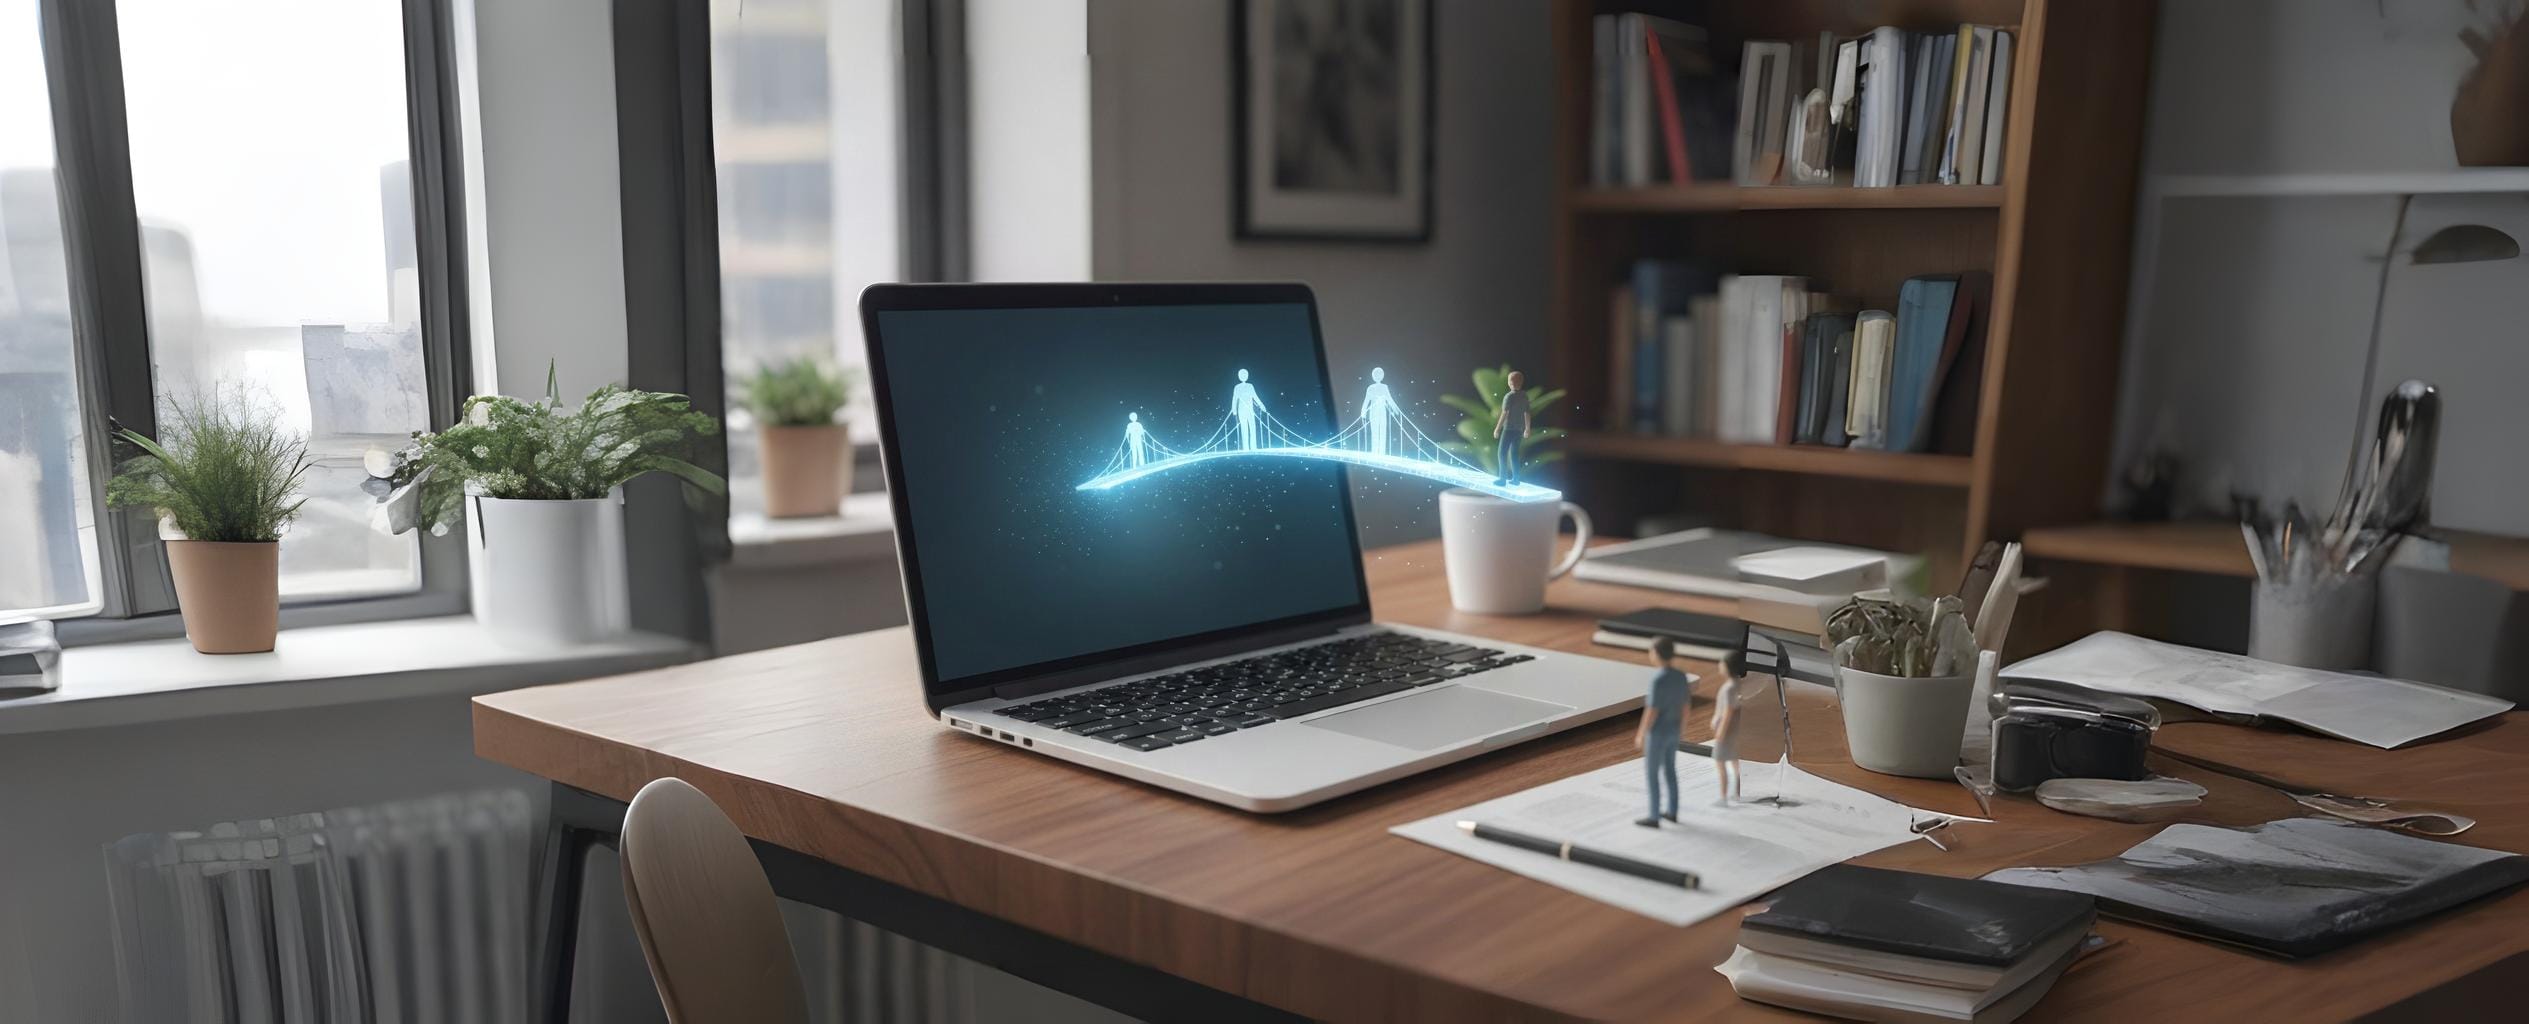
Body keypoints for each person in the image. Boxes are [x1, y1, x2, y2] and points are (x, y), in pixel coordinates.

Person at [1634, 637, 1691, 827]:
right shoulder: (1681, 676)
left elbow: (1652, 710)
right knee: (1670, 770)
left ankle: (1654, 816)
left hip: (1657, 732)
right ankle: (1672, 811)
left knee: (1652, 773)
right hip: (1674, 730)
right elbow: (1685, 706)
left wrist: (1641, 733)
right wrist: (1682, 729)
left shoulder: (1658, 680)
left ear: (1657, 654)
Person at [1710, 651, 1746, 805]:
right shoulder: (1740, 683)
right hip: (1736, 732)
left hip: (1726, 734)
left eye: (1721, 663)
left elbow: (1728, 711)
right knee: (1735, 763)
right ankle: (1737, 794)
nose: (1719, 666)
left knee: (1720, 762)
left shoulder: (1729, 688)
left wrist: (1720, 732)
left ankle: (1724, 796)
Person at [1492, 369, 1531, 486]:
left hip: (1508, 429)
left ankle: (1502, 479)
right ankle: (1516, 479)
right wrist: (1527, 428)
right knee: (1514, 454)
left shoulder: (1508, 397)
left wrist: (1497, 429)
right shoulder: (1524, 396)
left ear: (1510, 382)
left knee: (1502, 453)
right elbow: (1527, 413)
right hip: (1519, 430)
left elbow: (1504, 414)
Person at [1360, 367, 1396, 456]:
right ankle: (1375, 453)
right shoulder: (1370, 388)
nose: (1378, 376)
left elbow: (1390, 400)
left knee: (1382, 432)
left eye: (1379, 374)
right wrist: (1363, 413)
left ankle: (1381, 454)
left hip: (1382, 412)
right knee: (1375, 433)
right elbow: (1366, 401)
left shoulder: (1384, 387)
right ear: (1373, 376)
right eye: (1376, 374)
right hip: (1374, 412)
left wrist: (1395, 409)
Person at [1231, 369, 1263, 449]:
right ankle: (1246, 448)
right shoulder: (1237, 387)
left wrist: (1261, 405)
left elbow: (1255, 396)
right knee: (1244, 430)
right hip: (1241, 411)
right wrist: (1234, 410)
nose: (1243, 376)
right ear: (1239, 376)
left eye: (1245, 375)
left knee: (1252, 428)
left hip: (1250, 411)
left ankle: (1253, 447)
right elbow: (1234, 399)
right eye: (1242, 375)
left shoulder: (1250, 386)